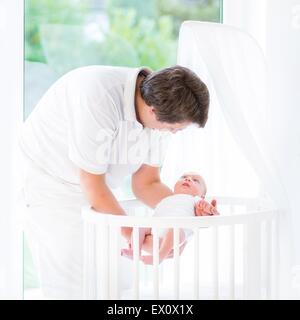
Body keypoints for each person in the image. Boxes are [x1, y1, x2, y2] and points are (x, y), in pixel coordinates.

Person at [20, 64, 210, 299]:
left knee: (117, 283)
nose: (173, 133)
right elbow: (92, 184)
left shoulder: (160, 113)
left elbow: (146, 184)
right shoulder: (97, 96)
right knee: (70, 285)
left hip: (98, 191)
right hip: (50, 186)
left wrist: (187, 210)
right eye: (174, 129)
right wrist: (136, 236)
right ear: (153, 111)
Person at [121, 172, 219, 265]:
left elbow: (204, 212)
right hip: (156, 227)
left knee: (175, 229)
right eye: (183, 177)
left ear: (202, 196)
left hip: (178, 231)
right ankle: (134, 252)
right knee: (140, 226)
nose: (188, 179)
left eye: (195, 180)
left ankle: (160, 256)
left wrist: (209, 210)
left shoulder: (196, 200)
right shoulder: (167, 199)